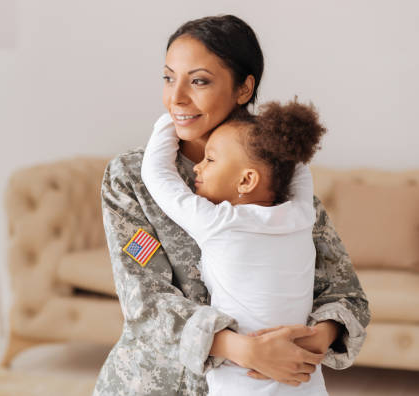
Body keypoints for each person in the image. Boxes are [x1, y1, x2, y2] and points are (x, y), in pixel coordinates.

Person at [93, 15, 370, 396]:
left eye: (199, 80)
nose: (176, 98)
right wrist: (243, 349)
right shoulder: (131, 177)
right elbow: (145, 301)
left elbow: (345, 294)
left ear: (244, 88)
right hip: (154, 384)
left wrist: (315, 340)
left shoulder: (278, 180)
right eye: (169, 77)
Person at [141, 100, 328, 395]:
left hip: (241, 381)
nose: (198, 168)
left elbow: (157, 175)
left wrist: (171, 120)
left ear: (246, 179)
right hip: (302, 378)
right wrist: (275, 134)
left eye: (210, 160)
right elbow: (298, 167)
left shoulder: (219, 223)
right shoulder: (302, 215)